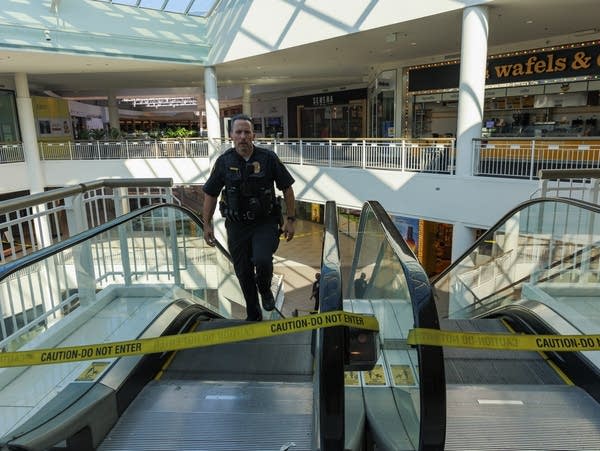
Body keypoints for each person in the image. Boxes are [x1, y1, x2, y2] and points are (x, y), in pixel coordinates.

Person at [202, 114, 296, 321]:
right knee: (243, 272)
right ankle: (253, 313)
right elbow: (210, 193)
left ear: (253, 135)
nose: (243, 136)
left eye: (247, 132)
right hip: (237, 226)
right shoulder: (224, 162)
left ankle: (265, 289)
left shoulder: (268, 159)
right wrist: (206, 224)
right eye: (238, 132)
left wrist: (290, 220)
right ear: (231, 136)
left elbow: (287, 189)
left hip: (265, 222)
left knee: (262, 260)